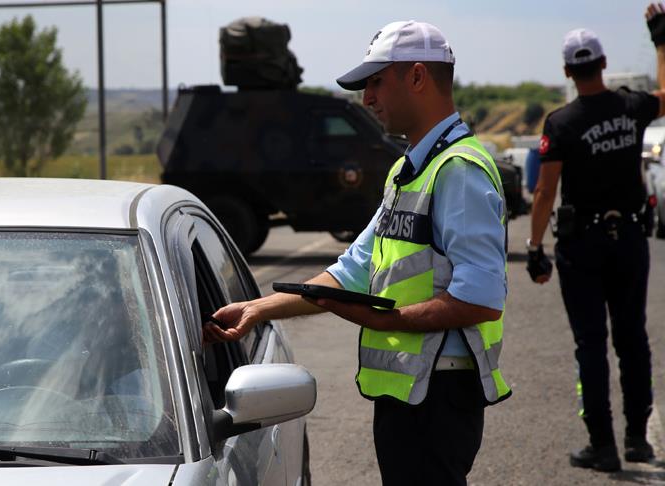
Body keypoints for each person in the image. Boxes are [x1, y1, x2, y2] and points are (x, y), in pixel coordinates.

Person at [204, 20, 510, 486]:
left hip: (439, 396)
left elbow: (481, 297)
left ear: (418, 76)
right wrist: (258, 308)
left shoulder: (459, 170)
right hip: (412, 395)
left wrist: (387, 320)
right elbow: (352, 271)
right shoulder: (408, 170)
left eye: (375, 82)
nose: (367, 98)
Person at [526, 9, 665, 471]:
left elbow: (545, 190)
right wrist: (661, 41)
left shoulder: (561, 123)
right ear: (603, 64)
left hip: (580, 244)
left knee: (591, 344)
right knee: (632, 341)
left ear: (567, 71)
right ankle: (638, 440)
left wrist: (534, 248)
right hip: (627, 237)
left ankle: (603, 445)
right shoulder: (631, 107)